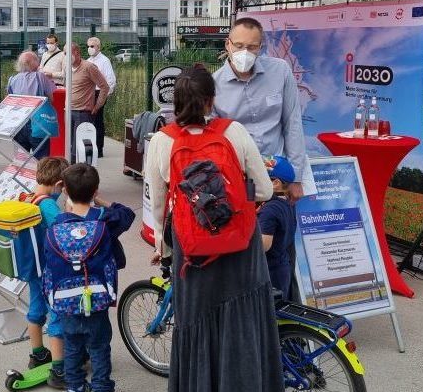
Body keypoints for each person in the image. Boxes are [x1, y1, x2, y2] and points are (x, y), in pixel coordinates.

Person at [145, 66, 283, 392]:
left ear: (174, 103)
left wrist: (161, 249)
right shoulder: (233, 132)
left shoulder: (162, 141)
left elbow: (157, 204)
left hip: (193, 252)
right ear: (211, 100)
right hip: (241, 248)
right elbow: (263, 190)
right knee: (245, 321)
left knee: (197, 323)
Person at [50, 163, 135, 392]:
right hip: (97, 300)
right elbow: (128, 214)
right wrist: (101, 201)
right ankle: (101, 387)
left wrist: (62, 195)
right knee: (99, 347)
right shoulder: (104, 221)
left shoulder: (57, 225)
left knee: (72, 347)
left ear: (65, 189)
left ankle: (75, 387)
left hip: (67, 300)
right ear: (95, 190)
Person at [213, 17, 311, 203]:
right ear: (228, 44)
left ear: (261, 47)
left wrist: (296, 177)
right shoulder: (213, 85)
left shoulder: (280, 71)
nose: (245, 52)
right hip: (238, 178)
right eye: (239, 45)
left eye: (251, 47)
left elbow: (293, 123)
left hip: (278, 178)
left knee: (281, 228)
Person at [23, 156, 69, 389]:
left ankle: (38, 354)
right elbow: (64, 230)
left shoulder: (28, 196)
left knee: (36, 308)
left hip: (33, 267)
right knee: (56, 313)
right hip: (50, 270)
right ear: (59, 184)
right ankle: (59, 370)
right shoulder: (48, 204)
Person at [259, 155, 298, 301]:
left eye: (259, 179)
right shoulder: (288, 203)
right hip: (283, 265)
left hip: (271, 271)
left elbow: (264, 245)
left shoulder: (269, 210)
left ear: (275, 183)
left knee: (271, 314)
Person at [64, 42, 109, 163]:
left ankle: (77, 176)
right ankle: (71, 174)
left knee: (78, 150)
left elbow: (104, 86)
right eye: (64, 53)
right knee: (69, 147)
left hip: (83, 112)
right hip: (68, 111)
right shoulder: (67, 68)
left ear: (77, 53)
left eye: (68, 53)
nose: (66, 56)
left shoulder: (89, 67)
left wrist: (97, 106)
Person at [7, 51, 56, 160]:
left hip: (19, 124)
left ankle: (21, 177)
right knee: (41, 159)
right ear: (31, 63)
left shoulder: (13, 79)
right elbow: (51, 98)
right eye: (36, 60)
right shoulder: (41, 77)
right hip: (38, 123)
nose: (38, 62)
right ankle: (40, 177)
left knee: (21, 159)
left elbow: (10, 101)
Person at [86, 37, 116, 158]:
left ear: (98, 47)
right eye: (88, 46)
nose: (90, 48)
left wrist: (104, 96)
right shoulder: (88, 61)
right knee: (90, 121)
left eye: (92, 46)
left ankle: (99, 149)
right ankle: (90, 147)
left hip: (99, 92)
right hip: (90, 93)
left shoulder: (104, 61)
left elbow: (110, 80)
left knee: (98, 121)